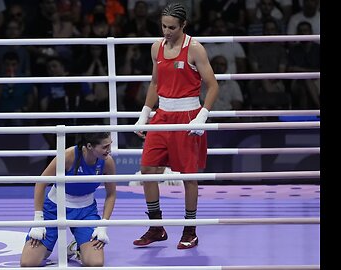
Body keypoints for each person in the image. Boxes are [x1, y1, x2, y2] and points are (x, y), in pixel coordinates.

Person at [133, 2, 219, 249]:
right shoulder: (155, 47)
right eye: (163, 26)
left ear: (183, 25)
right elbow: (154, 83)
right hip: (162, 116)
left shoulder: (195, 49)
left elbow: (213, 86)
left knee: (189, 177)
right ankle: (156, 227)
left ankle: (190, 230)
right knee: (148, 171)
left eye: (172, 27)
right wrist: (145, 113)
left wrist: (202, 115)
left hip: (187, 116)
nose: (167, 31)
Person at [20, 132, 117, 267]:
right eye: (105, 147)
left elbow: (111, 194)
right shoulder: (68, 156)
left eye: (110, 145)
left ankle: (77, 247)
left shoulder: (107, 162)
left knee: (95, 263)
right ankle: (56, 246)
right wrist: (38, 219)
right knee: (28, 262)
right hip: (53, 209)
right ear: (89, 146)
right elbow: (41, 183)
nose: (109, 150)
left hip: (86, 212)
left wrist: (103, 225)